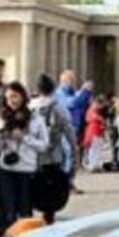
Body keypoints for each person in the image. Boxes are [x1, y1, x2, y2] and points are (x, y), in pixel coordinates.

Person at [0, 81, 48, 234]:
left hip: (26, 169)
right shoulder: (2, 117)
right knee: (8, 210)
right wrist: (1, 137)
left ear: (23, 96)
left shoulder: (35, 118)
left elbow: (44, 145)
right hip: (6, 167)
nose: (12, 100)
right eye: (8, 97)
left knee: (25, 210)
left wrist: (24, 137)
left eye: (15, 96)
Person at [31, 73, 75, 225]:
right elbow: (69, 133)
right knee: (51, 188)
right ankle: (48, 217)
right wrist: (74, 154)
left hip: (33, 156)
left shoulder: (31, 106)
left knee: (32, 186)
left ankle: (28, 214)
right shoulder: (58, 107)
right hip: (53, 155)